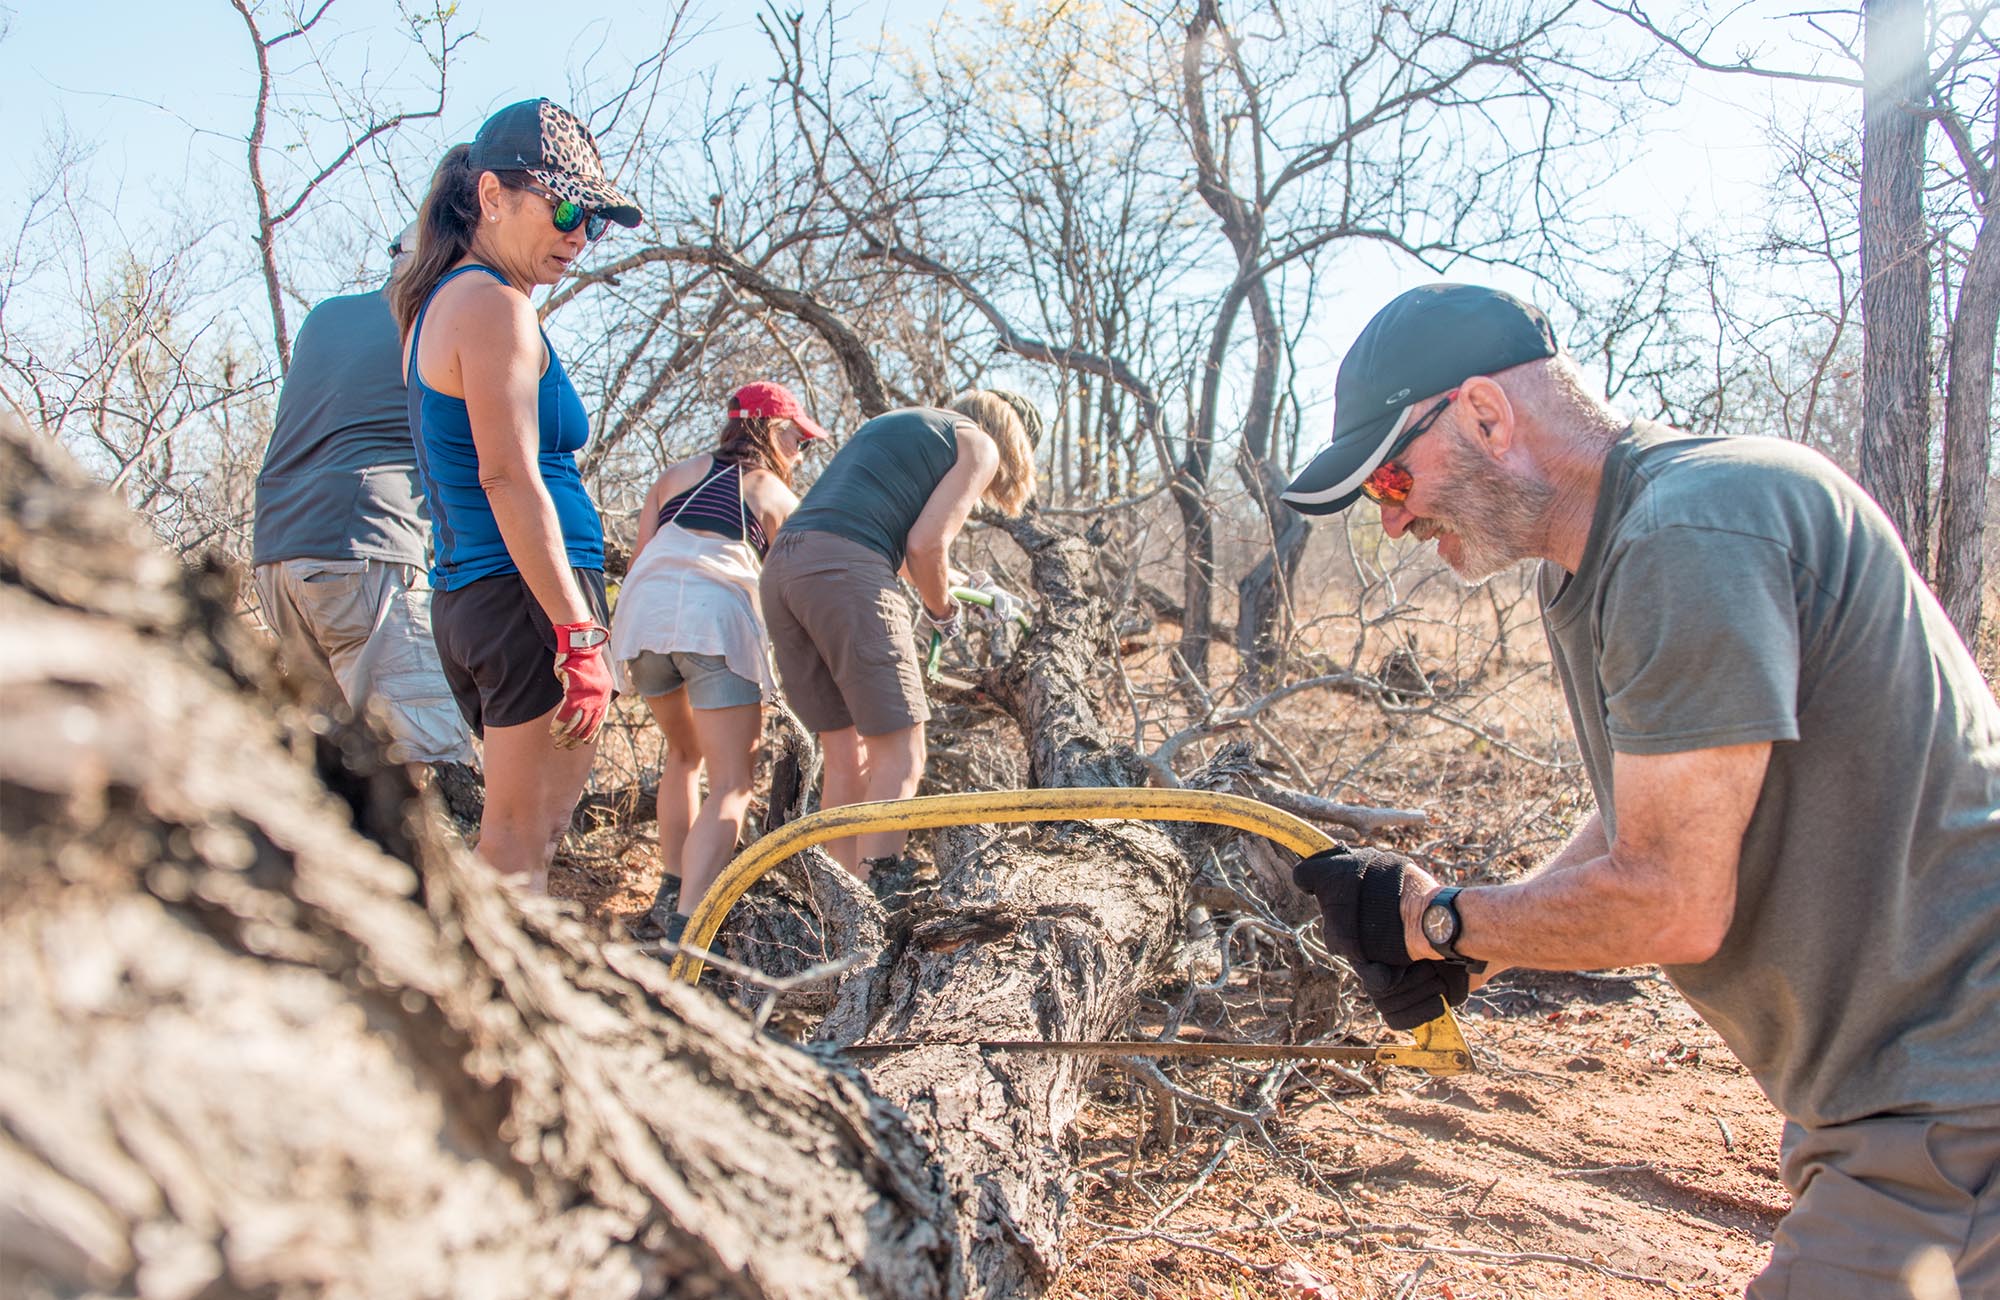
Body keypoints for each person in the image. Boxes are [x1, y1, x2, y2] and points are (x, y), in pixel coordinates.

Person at [1280, 282, 2000, 1297]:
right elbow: (1659, 802)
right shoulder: (1609, 552)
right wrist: (1470, 949)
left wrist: (1439, 921)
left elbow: (1671, 898)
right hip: (1901, 1096)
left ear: (1484, 413)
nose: (1392, 519)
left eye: (1391, 475)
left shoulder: (1688, 533)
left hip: (1955, 1096)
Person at [391, 98, 643, 892]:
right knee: (515, 851)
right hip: (523, 599)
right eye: (564, 209)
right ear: (492, 195)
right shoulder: (490, 304)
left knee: (528, 842)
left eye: (592, 221)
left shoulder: (450, 300)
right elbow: (505, 475)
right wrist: (578, 633)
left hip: (497, 596)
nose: (578, 234)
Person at [759, 391, 1039, 878]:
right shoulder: (979, 444)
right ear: (1012, 438)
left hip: (785, 569)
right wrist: (943, 612)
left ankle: (837, 904)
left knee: (847, 760)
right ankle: (877, 898)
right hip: (844, 572)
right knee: (904, 757)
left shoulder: (903, 425)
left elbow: (887, 540)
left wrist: (972, 586)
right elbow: (924, 546)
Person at [607, 381, 825, 942]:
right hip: (715, 625)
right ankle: (687, 931)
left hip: (644, 621)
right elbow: (794, 594)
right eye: (799, 440)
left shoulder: (672, 477)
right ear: (773, 430)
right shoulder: (774, 496)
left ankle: (669, 892)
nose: (801, 453)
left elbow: (639, 560)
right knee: (732, 782)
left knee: (683, 756)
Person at [251, 222, 474, 766]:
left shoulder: (326, 316)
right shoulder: (439, 320)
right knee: (427, 762)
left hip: (278, 555)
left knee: (337, 769)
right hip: (367, 550)